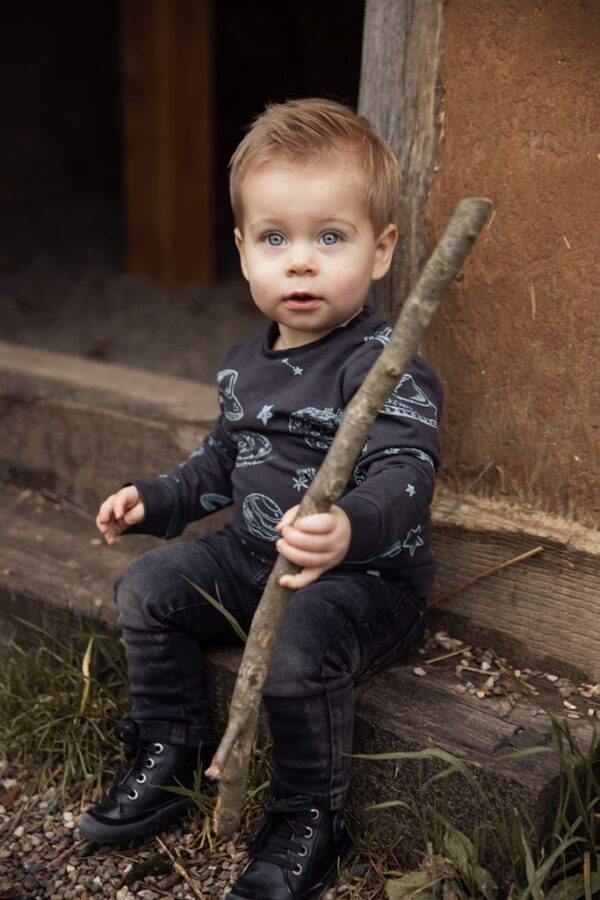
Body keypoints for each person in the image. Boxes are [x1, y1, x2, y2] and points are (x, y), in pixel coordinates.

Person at [78, 98, 443, 900]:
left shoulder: (385, 363)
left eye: (330, 237)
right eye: (275, 239)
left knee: (299, 649)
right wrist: (159, 498)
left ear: (380, 253)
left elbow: (407, 472)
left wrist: (350, 527)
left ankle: (308, 816)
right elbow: (221, 461)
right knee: (148, 589)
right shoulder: (247, 360)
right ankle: (170, 747)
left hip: (362, 582)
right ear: (243, 254)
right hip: (252, 557)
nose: (300, 262)